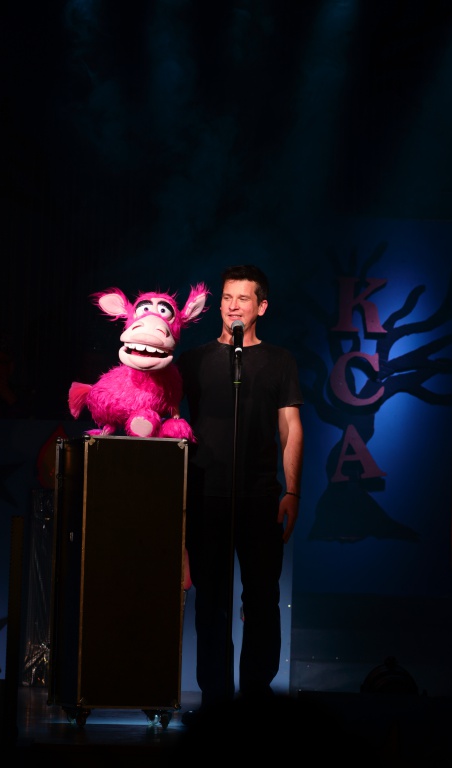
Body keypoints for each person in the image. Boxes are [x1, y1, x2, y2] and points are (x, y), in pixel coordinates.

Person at [177, 264, 304, 720]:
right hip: (206, 495)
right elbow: (169, 422)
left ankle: (256, 700)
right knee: (211, 602)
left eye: (243, 298)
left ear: (261, 307)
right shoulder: (194, 360)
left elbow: (290, 427)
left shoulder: (279, 361)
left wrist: (293, 491)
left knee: (262, 600)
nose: (233, 306)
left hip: (259, 496)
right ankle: (215, 700)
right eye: (227, 297)